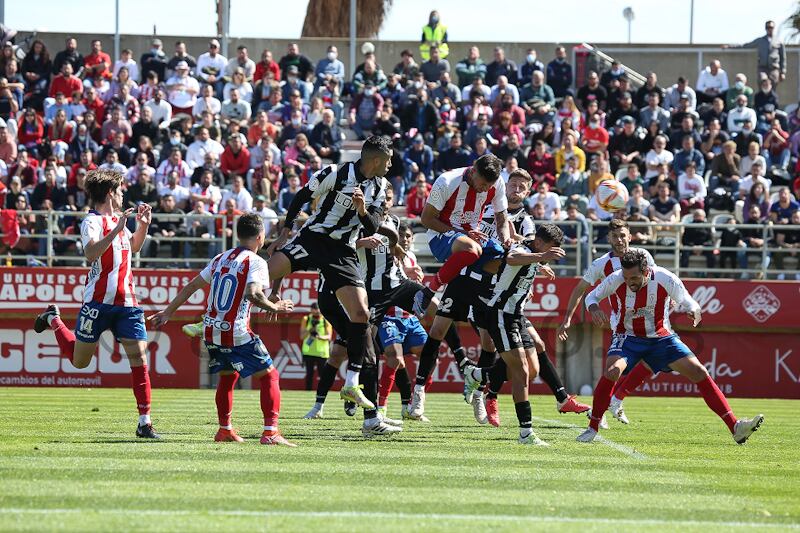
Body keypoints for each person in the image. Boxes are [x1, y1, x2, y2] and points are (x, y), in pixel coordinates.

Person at [265, 136, 392, 427]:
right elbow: (300, 198)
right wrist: (285, 233)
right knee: (264, 273)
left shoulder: (381, 188)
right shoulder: (335, 173)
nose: (391, 164)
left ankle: (352, 381)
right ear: (375, 159)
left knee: (361, 314)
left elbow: (371, 225)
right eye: (388, 159)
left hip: (343, 250)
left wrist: (362, 210)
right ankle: (218, 311)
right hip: (313, 239)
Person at [577, 249, 764, 444]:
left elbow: (686, 299)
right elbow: (591, 297)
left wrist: (693, 310)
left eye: (633, 277)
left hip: (662, 339)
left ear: (646, 271)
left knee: (700, 372)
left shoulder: (664, 277)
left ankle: (735, 427)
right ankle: (593, 428)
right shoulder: (616, 278)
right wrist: (595, 308)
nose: (629, 281)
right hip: (628, 337)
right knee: (613, 370)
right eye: (626, 276)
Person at [149, 213, 296, 446]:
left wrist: (168, 313)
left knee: (228, 377)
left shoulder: (220, 257)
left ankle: (224, 429)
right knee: (270, 376)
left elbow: (192, 285)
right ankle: (270, 432)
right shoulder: (256, 262)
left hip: (211, 330)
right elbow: (254, 294)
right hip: (236, 330)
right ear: (260, 237)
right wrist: (275, 307)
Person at [32, 170, 158, 438]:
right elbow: (90, 253)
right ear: (111, 192)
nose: (124, 194)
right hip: (97, 303)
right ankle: (54, 319)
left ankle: (144, 423)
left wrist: (143, 225)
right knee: (80, 362)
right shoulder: (91, 221)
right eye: (121, 189)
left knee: (139, 358)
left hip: (127, 302)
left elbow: (133, 247)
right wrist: (117, 230)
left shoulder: (119, 221)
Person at [462, 224, 566, 445]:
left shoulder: (533, 248)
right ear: (540, 243)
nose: (553, 253)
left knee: (533, 370)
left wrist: (540, 263)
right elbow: (512, 258)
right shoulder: (523, 251)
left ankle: (477, 375)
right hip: (500, 313)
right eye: (552, 248)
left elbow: (524, 242)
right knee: (521, 370)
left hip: (517, 316)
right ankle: (525, 432)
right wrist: (542, 257)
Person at [558, 219, 659, 425]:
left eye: (623, 235)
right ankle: (605, 408)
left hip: (649, 320)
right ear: (608, 239)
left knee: (653, 362)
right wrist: (569, 318)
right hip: (622, 322)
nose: (620, 240)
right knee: (615, 368)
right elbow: (580, 290)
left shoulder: (644, 256)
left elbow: (657, 280)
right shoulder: (601, 264)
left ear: (630, 236)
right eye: (615, 236)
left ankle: (614, 401)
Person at [417, 154, 510, 307]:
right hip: (441, 236)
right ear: (473, 171)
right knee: (471, 249)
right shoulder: (447, 181)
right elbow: (426, 219)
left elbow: (502, 217)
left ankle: (482, 291)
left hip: (474, 237)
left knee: (505, 260)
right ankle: (429, 291)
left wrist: (506, 238)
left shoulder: (498, 183)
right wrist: (464, 234)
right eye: (483, 184)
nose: (485, 189)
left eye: (489, 186)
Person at [729, 20, 786, 87]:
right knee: (762, 81)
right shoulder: (760, 40)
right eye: (768, 27)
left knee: (772, 87)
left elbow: (783, 58)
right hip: (763, 68)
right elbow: (746, 45)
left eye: (771, 27)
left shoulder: (779, 41)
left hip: (774, 69)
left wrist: (782, 72)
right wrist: (730, 46)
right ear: (765, 28)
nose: (769, 29)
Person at [300, 302, 332, 391]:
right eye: (314, 310)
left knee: (322, 375)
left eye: (318, 310)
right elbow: (302, 336)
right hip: (308, 351)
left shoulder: (325, 320)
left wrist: (319, 336)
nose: (316, 312)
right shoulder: (306, 319)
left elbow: (329, 337)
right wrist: (310, 329)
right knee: (309, 374)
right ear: (311, 310)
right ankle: (308, 391)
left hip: (322, 353)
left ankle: (323, 392)